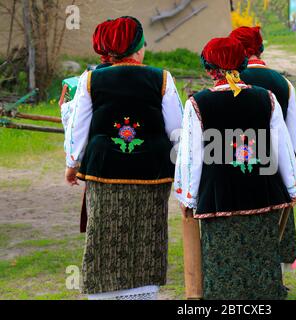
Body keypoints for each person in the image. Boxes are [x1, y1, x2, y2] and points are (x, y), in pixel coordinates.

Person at [63, 16, 183, 300]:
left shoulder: (91, 79)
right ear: (138, 49)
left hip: (104, 169)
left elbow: (79, 126)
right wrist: (183, 169)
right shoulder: (162, 78)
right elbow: (177, 129)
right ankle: (143, 294)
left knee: (105, 232)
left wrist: (71, 163)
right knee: (147, 232)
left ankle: (105, 294)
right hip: (152, 171)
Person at [175, 37, 296, 300]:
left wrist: (188, 196)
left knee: (221, 261)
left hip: (218, 195)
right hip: (262, 192)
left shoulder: (198, 103)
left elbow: (191, 156)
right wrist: (292, 187)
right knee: (262, 257)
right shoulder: (266, 98)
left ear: (209, 69)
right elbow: (282, 147)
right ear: (242, 64)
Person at [230, 26, 296, 268]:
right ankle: (272, 269)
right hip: (272, 164)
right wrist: (289, 168)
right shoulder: (283, 83)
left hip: (232, 159)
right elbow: (291, 135)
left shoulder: (229, 80)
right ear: (260, 48)